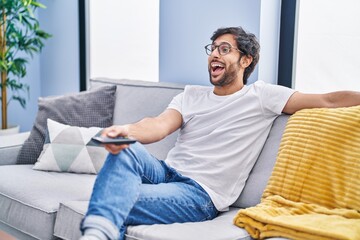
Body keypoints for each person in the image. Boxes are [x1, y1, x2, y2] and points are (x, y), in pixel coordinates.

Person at [80, 26, 360, 240]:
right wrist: (126, 130)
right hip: (164, 173)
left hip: (200, 194)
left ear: (246, 60)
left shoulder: (261, 96)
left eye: (224, 49)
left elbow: (328, 101)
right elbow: (159, 125)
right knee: (126, 149)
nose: (214, 54)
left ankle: (96, 232)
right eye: (212, 48)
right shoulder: (190, 95)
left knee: (111, 197)